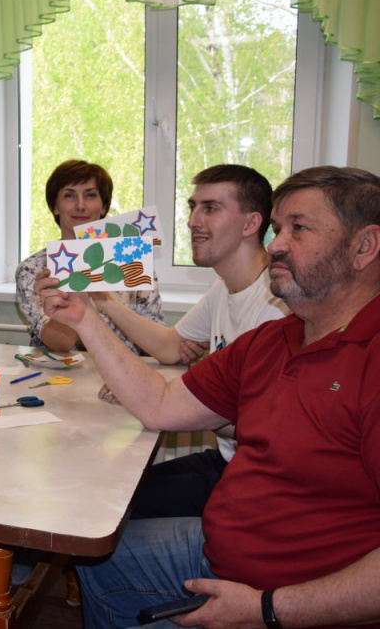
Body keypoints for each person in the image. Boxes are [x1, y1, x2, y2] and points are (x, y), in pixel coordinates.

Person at [39, 166, 380, 628]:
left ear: (364, 247)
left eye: (297, 228)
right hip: (225, 546)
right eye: (279, 229)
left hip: (297, 596)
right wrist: (85, 316)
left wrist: (267, 610)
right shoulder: (273, 340)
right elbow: (161, 402)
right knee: (100, 555)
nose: (276, 244)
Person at [91, 164, 288, 518]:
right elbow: (170, 345)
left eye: (210, 208)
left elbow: (261, 425)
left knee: (110, 507)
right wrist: (103, 299)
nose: (193, 221)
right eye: (192, 207)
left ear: (250, 224)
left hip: (258, 483)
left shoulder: (277, 306)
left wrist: (168, 396)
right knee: (108, 486)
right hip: (225, 459)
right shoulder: (224, 286)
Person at [16, 160, 163, 354]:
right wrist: (73, 302)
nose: (80, 205)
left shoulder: (132, 260)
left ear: (103, 206)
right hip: (64, 375)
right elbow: (59, 344)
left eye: (90, 195)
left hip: (127, 371)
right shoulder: (35, 269)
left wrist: (105, 299)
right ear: (55, 207)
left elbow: (155, 341)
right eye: (69, 195)